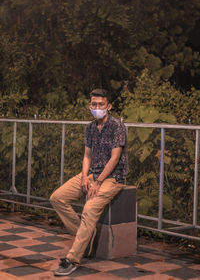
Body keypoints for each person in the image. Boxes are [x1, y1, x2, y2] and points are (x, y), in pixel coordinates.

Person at [50, 88, 128, 276]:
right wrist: (85, 177)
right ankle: (85, 235)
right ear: (89, 106)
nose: (97, 107)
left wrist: (98, 182)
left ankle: (73, 258)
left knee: (89, 209)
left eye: (101, 104)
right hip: (92, 175)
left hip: (112, 178)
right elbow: (87, 155)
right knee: (57, 198)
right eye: (94, 104)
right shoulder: (90, 127)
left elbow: (115, 158)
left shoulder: (117, 127)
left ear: (108, 106)